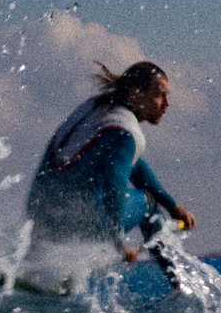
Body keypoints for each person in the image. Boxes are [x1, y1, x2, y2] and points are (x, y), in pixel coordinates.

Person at [24, 60, 196, 293]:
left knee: (61, 287)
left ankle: (64, 283)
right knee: (149, 206)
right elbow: (114, 181)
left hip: (41, 215)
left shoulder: (94, 108)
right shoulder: (126, 132)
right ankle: (181, 289)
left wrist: (173, 207)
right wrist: (117, 242)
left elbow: (130, 163)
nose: (166, 104)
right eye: (159, 95)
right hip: (81, 221)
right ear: (136, 93)